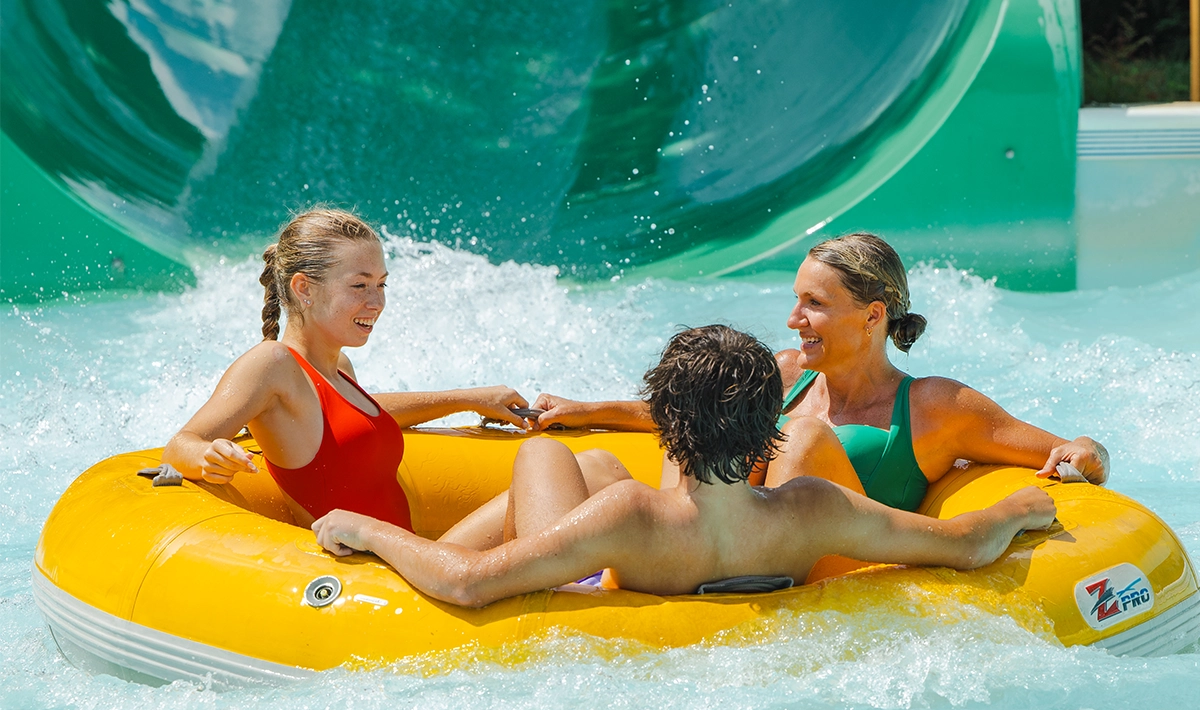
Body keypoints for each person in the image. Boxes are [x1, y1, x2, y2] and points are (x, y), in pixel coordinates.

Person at [311, 325, 1056, 607]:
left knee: (544, 451)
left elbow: (468, 587)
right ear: (768, 427)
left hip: (590, 581)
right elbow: (963, 545)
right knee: (599, 461)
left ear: (667, 425)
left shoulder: (629, 519)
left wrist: (369, 531)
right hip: (736, 548)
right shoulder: (810, 510)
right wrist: (1020, 508)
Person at [528, 233, 1109, 513]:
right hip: (719, 546)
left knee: (803, 441)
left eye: (814, 304)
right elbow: (693, 416)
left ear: (872, 316)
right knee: (596, 469)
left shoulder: (934, 407)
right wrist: (584, 410)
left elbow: (1067, 449)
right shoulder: (783, 376)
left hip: (813, 574)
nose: (793, 319)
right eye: (795, 299)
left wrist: (1087, 449)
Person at [163, 208, 531, 531]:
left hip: (407, 555)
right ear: (304, 288)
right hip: (368, 574)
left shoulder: (338, 367)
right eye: (359, 285)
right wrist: (208, 457)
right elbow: (182, 444)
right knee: (544, 466)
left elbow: (357, 419)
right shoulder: (272, 364)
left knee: (575, 469)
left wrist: (470, 399)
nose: (377, 302)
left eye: (381, 284)